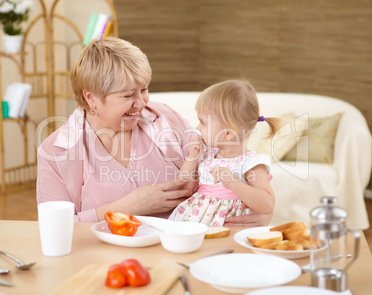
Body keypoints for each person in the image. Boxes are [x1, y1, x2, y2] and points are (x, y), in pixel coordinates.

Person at [36, 36, 273, 225]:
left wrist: (261, 215)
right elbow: (53, 227)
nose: (141, 103)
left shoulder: (166, 118)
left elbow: (230, 166)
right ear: (91, 98)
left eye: (144, 89)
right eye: (128, 95)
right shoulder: (56, 152)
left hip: (179, 251)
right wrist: (128, 207)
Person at [169, 79, 280, 226]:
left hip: (227, 226)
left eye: (203, 122)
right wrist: (192, 157)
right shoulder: (207, 153)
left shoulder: (251, 163)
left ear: (228, 134)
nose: (197, 127)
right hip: (195, 223)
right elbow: (182, 182)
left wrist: (234, 183)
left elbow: (267, 204)